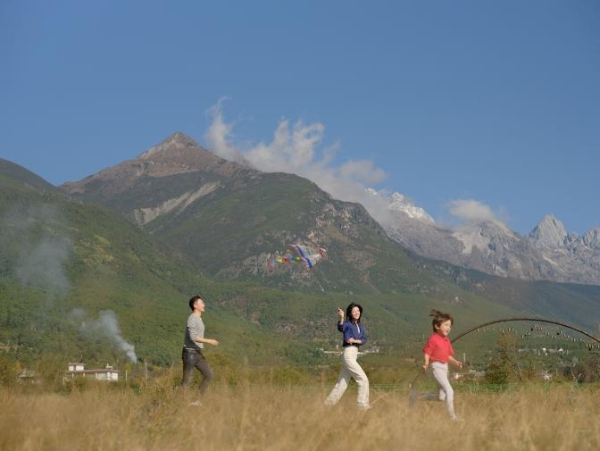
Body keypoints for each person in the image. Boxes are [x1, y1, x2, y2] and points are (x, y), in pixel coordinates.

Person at [324, 302, 371, 411]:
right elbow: (341, 327)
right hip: (348, 355)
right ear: (350, 313)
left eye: (358, 311)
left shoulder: (361, 326)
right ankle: (362, 406)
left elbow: (364, 339)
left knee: (342, 384)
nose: (356, 313)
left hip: (354, 354)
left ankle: (327, 406)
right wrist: (341, 317)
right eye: (354, 311)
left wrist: (355, 340)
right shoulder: (347, 324)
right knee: (363, 379)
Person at [421, 309, 463, 421]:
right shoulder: (433, 339)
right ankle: (453, 418)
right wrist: (425, 363)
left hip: (444, 368)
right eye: (446, 325)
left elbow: (448, 355)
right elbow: (427, 352)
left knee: (441, 397)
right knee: (449, 391)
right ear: (437, 326)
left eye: (450, 325)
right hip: (436, 367)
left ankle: (417, 396)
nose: (449, 328)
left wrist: (455, 361)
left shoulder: (446, 341)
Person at [181, 295, 219, 399]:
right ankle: (176, 403)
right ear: (195, 305)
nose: (204, 305)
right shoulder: (193, 318)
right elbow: (193, 337)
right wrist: (209, 341)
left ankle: (196, 401)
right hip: (189, 353)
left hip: (197, 353)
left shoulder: (198, 318)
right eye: (201, 303)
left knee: (209, 375)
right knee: (186, 381)